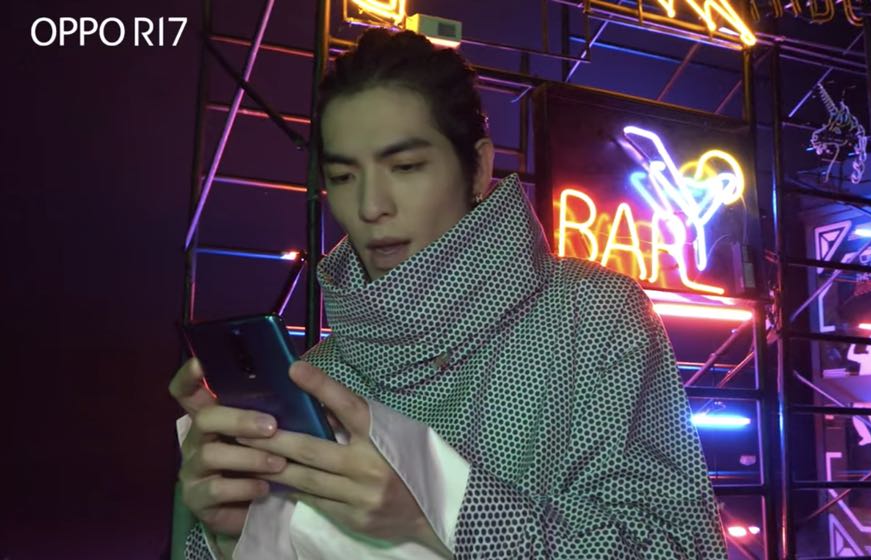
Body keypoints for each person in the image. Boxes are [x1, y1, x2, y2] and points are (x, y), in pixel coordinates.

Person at [169, 28, 727, 559]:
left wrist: (439, 515)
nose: (371, 206)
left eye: (406, 166)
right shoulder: (318, 375)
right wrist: (233, 538)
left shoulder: (591, 313)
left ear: (478, 167)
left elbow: (679, 548)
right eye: (342, 177)